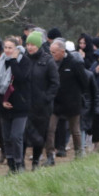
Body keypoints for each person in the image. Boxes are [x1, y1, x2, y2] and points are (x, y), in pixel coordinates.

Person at [0, 36, 31, 174]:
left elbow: (20, 78)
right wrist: (2, 102)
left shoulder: (24, 61)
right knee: (6, 137)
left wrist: (13, 61)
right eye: (5, 48)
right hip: (4, 106)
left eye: (10, 48)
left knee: (16, 136)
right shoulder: (0, 62)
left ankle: (19, 164)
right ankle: (11, 165)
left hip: (20, 105)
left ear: (16, 49)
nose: (7, 51)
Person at [50, 38, 89, 159]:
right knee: (50, 129)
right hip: (56, 103)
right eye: (51, 52)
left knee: (75, 130)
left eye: (54, 52)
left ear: (62, 51)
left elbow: (85, 82)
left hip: (72, 103)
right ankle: (50, 155)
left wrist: (75, 94)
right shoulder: (51, 63)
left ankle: (79, 153)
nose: (52, 55)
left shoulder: (74, 63)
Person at [25, 30, 59, 169]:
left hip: (42, 106)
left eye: (33, 44)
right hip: (25, 104)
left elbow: (55, 83)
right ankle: (19, 163)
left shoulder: (48, 61)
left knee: (39, 135)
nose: (30, 47)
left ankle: (35, 162)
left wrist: (46, 98)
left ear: (38, 45)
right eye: (28, 44)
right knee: (24, 133)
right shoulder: (24, 59)